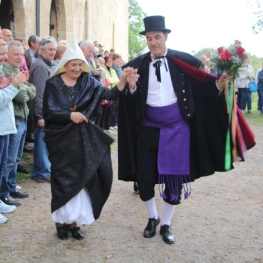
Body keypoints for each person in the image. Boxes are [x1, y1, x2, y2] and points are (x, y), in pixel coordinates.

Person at [118, 15, 255, 245]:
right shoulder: (137, 65)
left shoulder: (183, 61)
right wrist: (131, 88)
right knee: (143, 176)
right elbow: (129, 106)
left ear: (166, 37)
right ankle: (152, 217)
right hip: (148, 128)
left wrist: (217, 85)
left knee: (173, 179)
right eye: (149, 38)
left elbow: (199, 93)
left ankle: (166, 224)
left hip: (177, 129)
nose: (153, 42)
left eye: (157, 37)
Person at [42, 40, 138, 240]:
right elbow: (49, 111)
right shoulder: (53, 83)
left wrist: (123, 80)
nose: (76, 68)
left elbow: (109, 93)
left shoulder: (88, 81)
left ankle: (74, 223)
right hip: (61, 139)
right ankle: (61, 222)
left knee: (82, 178)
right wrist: (70, 116)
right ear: (65, 65)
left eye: (79, 64)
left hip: (83, 138)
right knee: (62, 180)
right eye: (73, 64)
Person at [0, 41, 36, 206]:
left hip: (19, 118)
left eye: (21, 54)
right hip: (12, 118)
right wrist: (18, 86)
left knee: (15, 158)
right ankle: (4, 192)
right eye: (16, 54)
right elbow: (21, 96)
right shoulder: (6, 70)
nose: (19, 58)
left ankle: (10, 186)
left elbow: (32, 89)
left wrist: (21, 88)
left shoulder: (15, 70)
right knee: (8, 160)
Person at [29, 36, 57, 182]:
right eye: (50, 49)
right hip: (42, 112)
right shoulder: (40, 65)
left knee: (43, 141)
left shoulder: (45, 64)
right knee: (42, 142)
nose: (53, 52)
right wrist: (40, 116)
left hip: (46, 111)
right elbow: (39, 92)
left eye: (54, 49)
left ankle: (39, 171)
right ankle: (43, 173)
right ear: (42, 50)